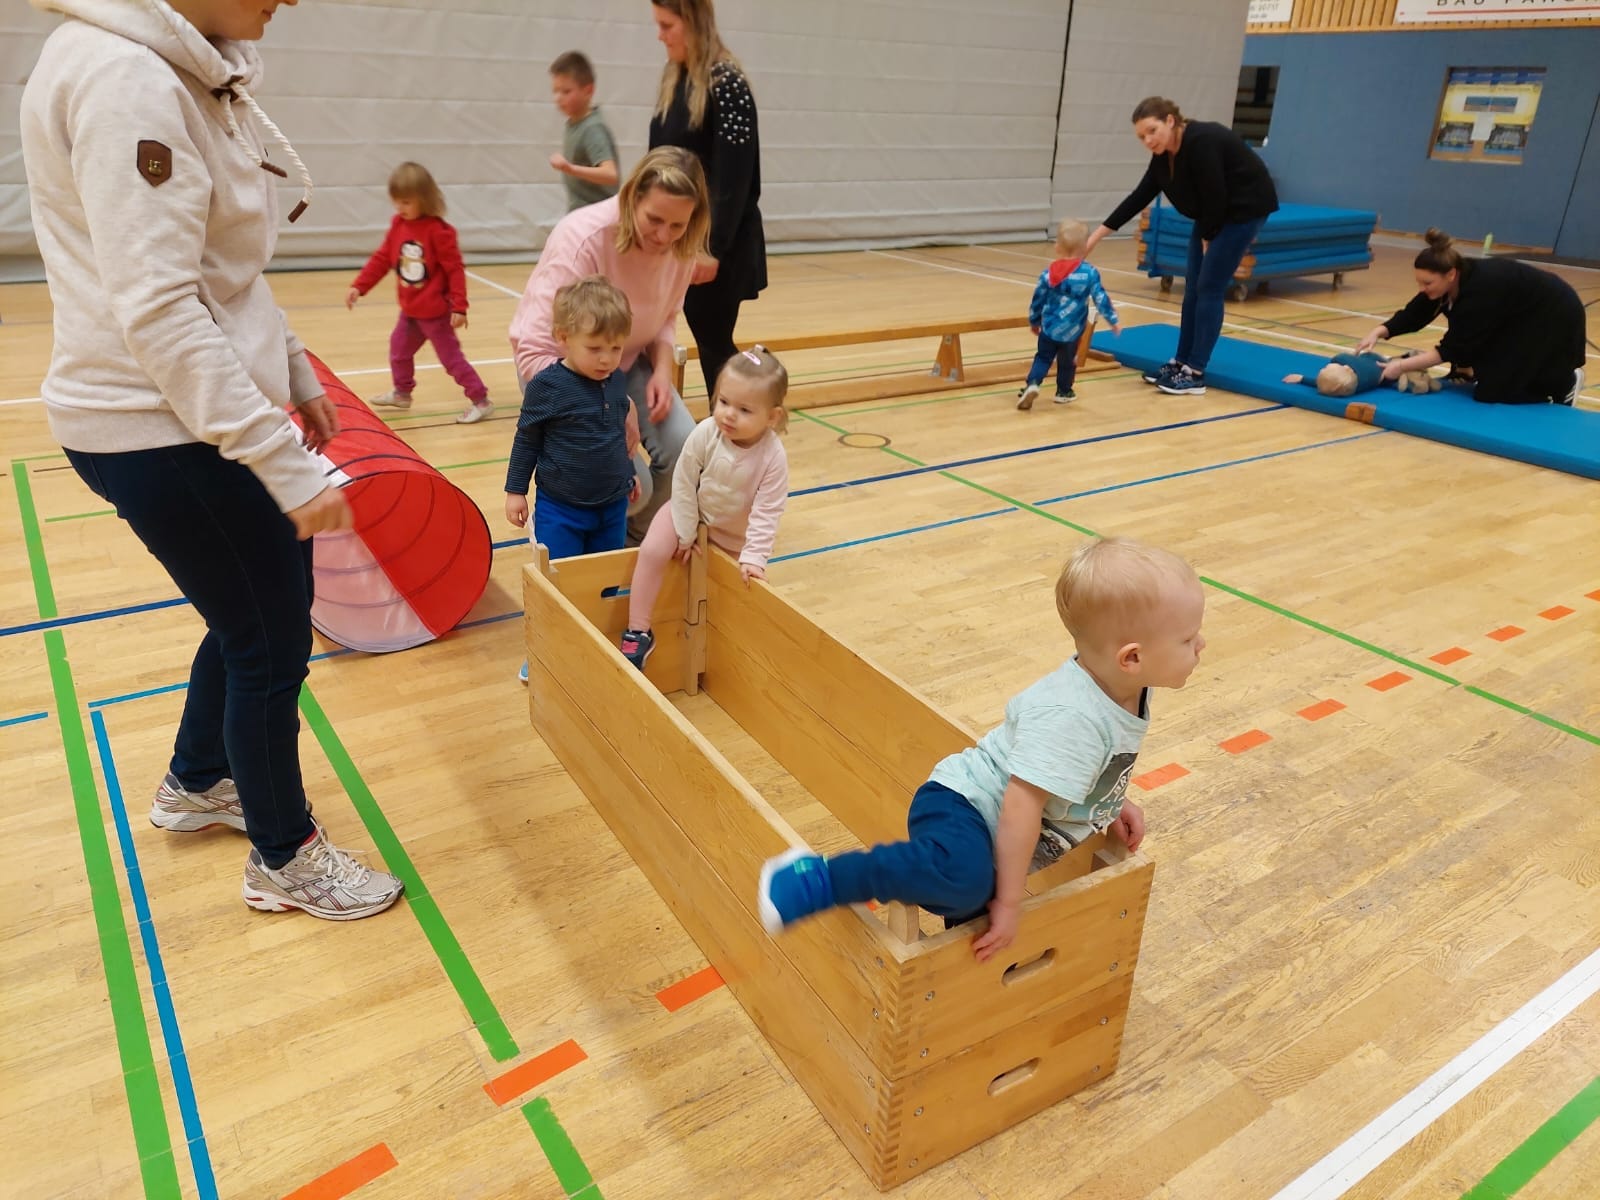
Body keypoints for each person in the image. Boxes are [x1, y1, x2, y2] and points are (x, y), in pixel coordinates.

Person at [21, 0, 403, 920]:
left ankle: (199, 780)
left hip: (176, 416)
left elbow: (219, 271)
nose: (290, 0)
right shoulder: (128, 81)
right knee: (269, 641)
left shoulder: (179, 71)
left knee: (254, 613)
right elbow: (160, 310)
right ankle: (284, 858)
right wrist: (282, 460)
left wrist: (293, 364)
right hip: (157, 425)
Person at [758, 537, 1205, 961]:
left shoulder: (1125, 688)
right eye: (1188, 639)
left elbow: (1082, 765)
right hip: (966, 805)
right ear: (1132, 658)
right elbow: (1019, 807)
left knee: (975, 915)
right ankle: (820, 878)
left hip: (994, 825)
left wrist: (1110, 802)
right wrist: (1010, 903)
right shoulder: (1073, 718)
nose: (1201, 645)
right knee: (965, 882)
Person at [510, 146, 710, 544]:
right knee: (630, 486)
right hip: (564, 371)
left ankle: (632, 543)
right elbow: (533, 350)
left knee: (687, 451)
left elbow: (666, 314)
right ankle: (579, 531)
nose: (664, 237)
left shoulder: (681, 246)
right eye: (654, 220)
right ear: (632, 198)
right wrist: (610, 403)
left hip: (626, 361)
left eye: (677, 225)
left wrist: (661, 370)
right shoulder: (582, 237)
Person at [1084, 96, 1279, 397]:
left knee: (1209, 286)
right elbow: (1139, 197)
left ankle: (1195, 372)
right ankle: (1181, 362)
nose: (1148, 140)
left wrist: (1209, 238)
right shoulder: (1163, 156)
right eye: (1141, 137)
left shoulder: (1202, 141)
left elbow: (1216, 194)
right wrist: (1094, 238)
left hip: (1243, 210)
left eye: (1152, 131)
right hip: (1213, 212)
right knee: (1193, 287)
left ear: (1171, 121)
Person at [619, 346, 789, 670]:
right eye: (723, 402)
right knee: (653, 550)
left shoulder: (773, 456)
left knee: (731, 590)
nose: (728, 414)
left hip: (733, 536)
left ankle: (719, 649)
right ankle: (638, 630)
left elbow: (768, 511)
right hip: (686, 511)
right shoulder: (707, 432)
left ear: (772, 416)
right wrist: (686, 532)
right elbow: (683, 481)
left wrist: (754, 557)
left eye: (744, 410)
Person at [647, 0, 767, 396]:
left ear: (693, 22)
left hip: (718, 242)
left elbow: (736, 177)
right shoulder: (676, 78)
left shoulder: (727, 84)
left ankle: (743, 411)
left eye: (667, 25)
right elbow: (657, 160)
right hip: (681, 236)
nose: (660, 36)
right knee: (703, 334)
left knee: (713, 337)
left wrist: (711, 248)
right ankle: (739, 409)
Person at [1355, 229, 1586, 406]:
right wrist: (1378, 331)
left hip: (1552, 316)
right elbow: (1415, 314)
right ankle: (1478, 372)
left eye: (1427, 283)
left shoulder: (1479, 293)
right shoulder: (1448, 283)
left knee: (1493, 393)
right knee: (1485, 367)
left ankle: (1564, 382)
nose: (1422, 289)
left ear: (1450, 274)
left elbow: (1451, 348)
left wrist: (1400, 366)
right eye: (1418, 282)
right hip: (1515, 316)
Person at [346, 162, 493, 424]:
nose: (399, 207)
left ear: (424, 200)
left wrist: (460, 306)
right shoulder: (398, 224)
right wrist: (360, 286)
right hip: (411, 311)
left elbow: (455, 270)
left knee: (451, 360)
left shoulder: (439, 232)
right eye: (396, 201)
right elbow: (383, 258)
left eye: (406, 202)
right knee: (399, 350)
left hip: (436, 314)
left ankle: (480, 400)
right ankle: (402, 393)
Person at [504, 276, 641, 557]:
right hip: (561, 509)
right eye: (595, 348)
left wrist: (629, 473)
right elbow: (527, 441)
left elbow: (615, 434)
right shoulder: (547, 386)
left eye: (616, 348)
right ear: (563, 337)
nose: (607, 359)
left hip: (612, 507)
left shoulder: (616, 379)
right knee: (561, 574)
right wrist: (516, 491)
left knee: (604, 575)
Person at [1018, 219, 1121, 410]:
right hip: (1072, 332)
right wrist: (1112, 320)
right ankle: (1063, 391)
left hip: (1049, 328)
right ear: (1084, 248)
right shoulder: (1089, 273)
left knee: (1043, 357)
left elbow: (1038, 298)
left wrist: (1034, 320)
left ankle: (1033, 383)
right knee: (1067, 363)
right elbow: (1100, 297)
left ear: (1057, 247)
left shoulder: (1048, 274)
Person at [548, 51, 620, 212]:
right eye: (555, 91)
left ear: (588, 90)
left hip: (596, 216)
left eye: (566, 91)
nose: (558, 98)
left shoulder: (592, 129)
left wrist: (570, 169)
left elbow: (610, 174)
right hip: (584, 213)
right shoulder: (575, 124)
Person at [1282, 350, 1439, 397]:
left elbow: (1318, 384)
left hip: (1368, 359)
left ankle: (1408, 366)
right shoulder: (1366, 374)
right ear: (1347, 369)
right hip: (1378, 364)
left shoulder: (1348, 382)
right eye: (1327, 368)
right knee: (1395, 377)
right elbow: (1321, 383)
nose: (1323, 368)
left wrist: (1301, 378)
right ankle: (1414, 376)